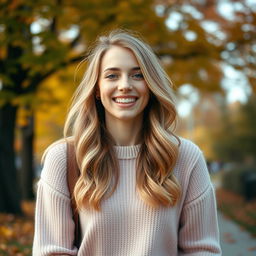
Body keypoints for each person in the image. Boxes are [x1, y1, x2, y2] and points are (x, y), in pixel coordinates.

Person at [33, 29, 221, 256]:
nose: (125, 85)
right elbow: (52, 252)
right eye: (112, 75)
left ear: (150, 86)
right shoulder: (63, 159)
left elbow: (202, 250)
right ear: (96, 89)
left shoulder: (185, 157)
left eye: (138, 75)